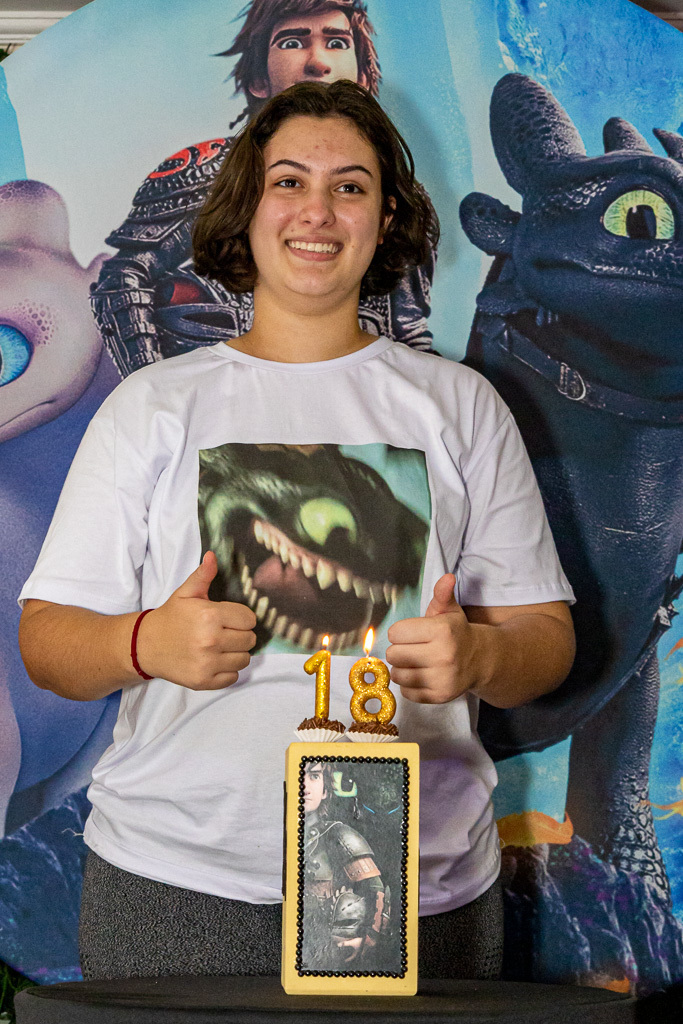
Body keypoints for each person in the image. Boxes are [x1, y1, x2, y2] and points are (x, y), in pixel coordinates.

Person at [18, 80, 576, 981]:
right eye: (288, 182)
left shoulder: (461, 406)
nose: (316, 211)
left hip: (420, 888)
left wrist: (480, 656)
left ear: (385, 219)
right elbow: (47, 643)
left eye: (349, 186)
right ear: (247, 207)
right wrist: (145, 642)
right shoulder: (152, 405)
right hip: (176, 884)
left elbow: (544, 641)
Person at [92, 0, 437, 379]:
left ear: (362, 74)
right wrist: (156, 388)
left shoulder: (400, 195)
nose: (318, 62)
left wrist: (415, 395)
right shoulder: (205, 170)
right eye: (292, 42)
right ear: (258, 77)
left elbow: (409, 327)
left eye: (337, 43)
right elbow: (123, 280)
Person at [301, 761, 388, 970]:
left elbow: (377, 892)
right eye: (299, 776)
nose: (304, 786)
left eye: (314, 776)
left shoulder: (341, 836)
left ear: (325, 791)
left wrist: (368, 938)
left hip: (331, 951)